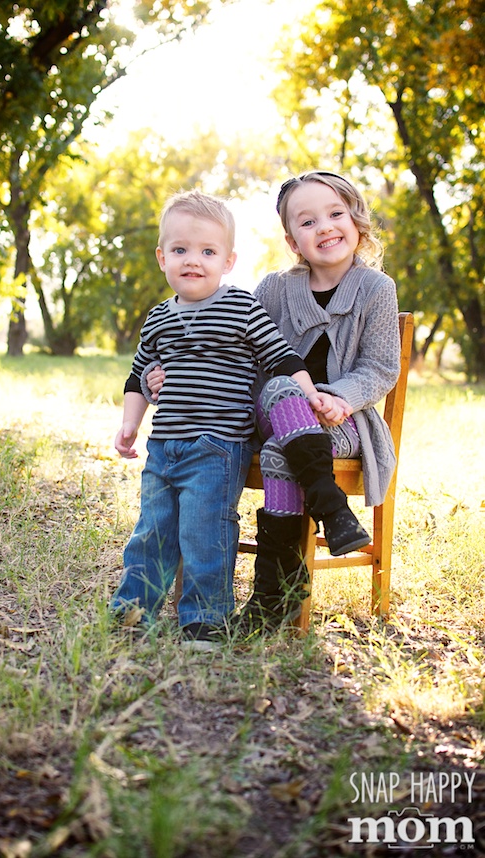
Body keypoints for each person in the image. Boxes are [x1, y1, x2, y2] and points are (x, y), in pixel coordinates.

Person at [147, 172, 401, 635]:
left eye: (335, 214)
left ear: (356, 221)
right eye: (307, 221)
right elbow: (224, 348)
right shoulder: (272, 289)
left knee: (281, 447)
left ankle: (273, 597)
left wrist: (338, 397)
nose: (324, 227)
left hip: (340, 423)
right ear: (292, 239)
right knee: (283, 387)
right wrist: (164, 375)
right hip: (268, 414)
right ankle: (331, 506)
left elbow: (381, 367)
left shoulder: (376, 289)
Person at [110, 188, 349, 650]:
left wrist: (312, 395)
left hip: (218, 445)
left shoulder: (241, 307)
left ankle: (205, 620)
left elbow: (280, 357)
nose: (192, 260)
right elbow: (138, 374)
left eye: (207, 251)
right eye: (180, 250)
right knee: (152, 530)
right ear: (162, 258)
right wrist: (129, 424)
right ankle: (132, 611)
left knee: (205, 532)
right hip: (165, 446)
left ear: (228, 260)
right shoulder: (158, 318)